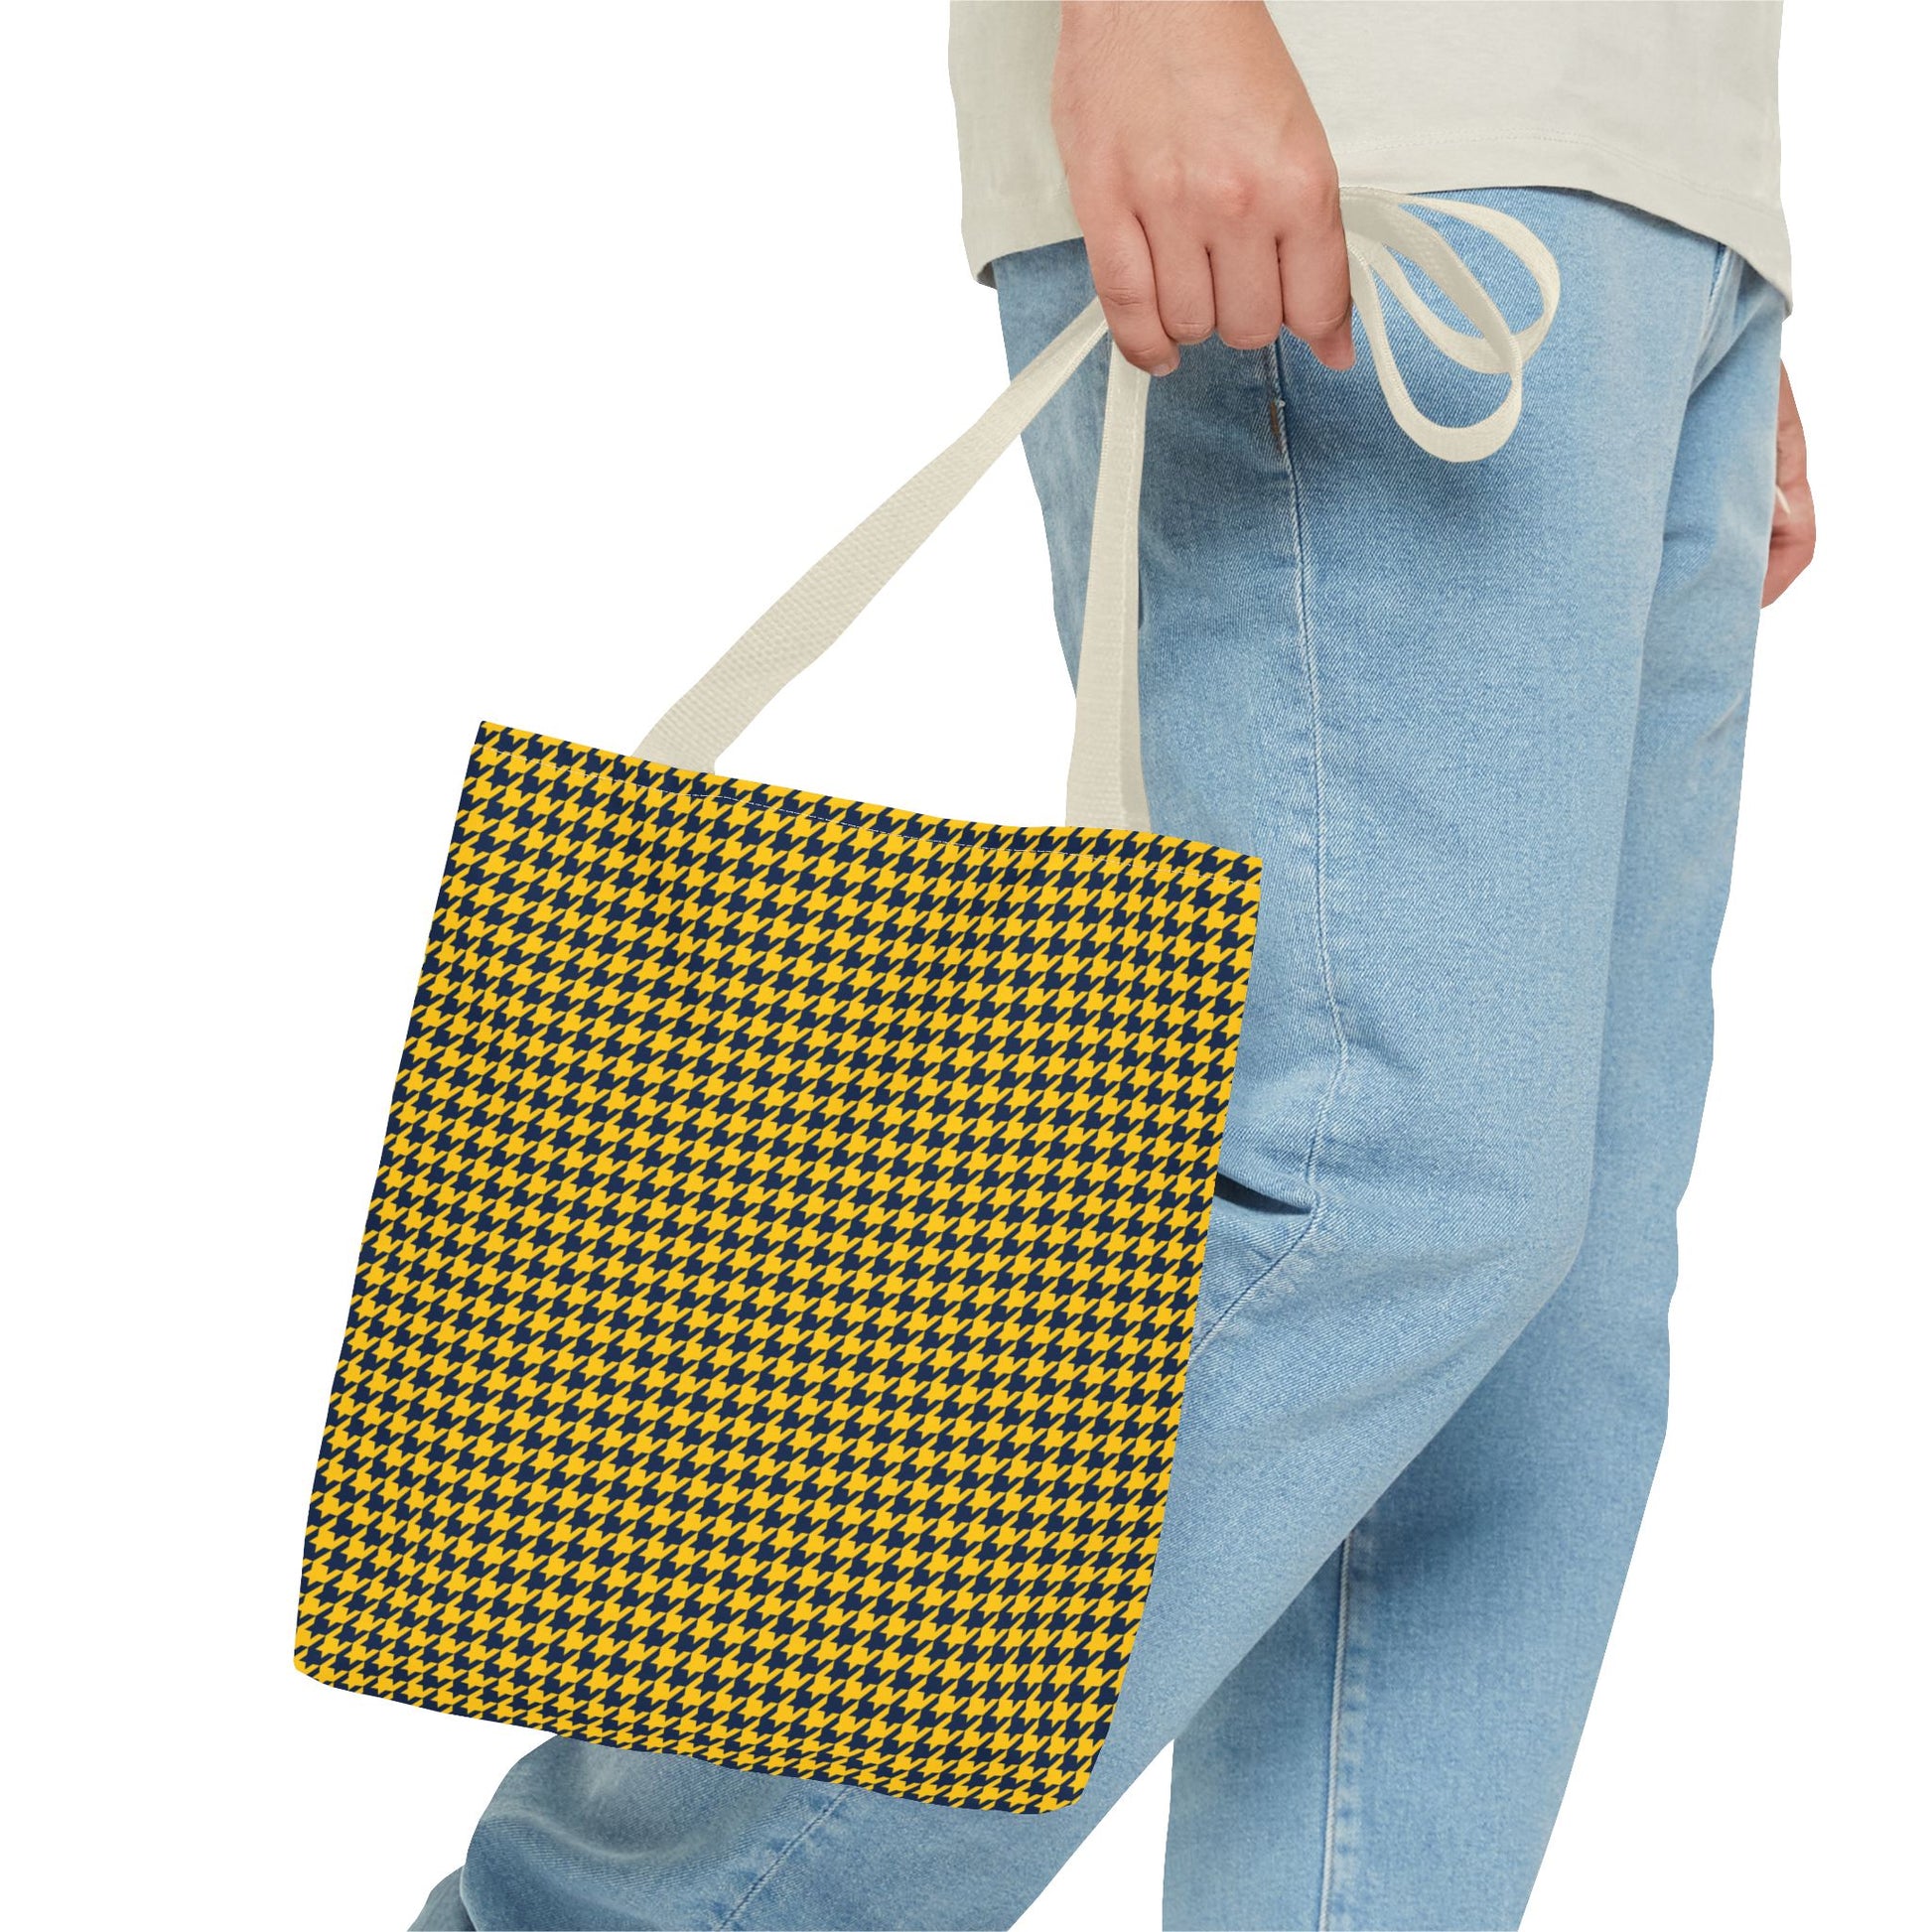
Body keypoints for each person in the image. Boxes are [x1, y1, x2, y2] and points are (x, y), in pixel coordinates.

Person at [411, 4, 1814, 1926]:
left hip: (1643, 188)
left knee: (1533, 1355)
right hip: (1368, 120)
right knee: (1374, 1191)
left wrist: (1698, 233)